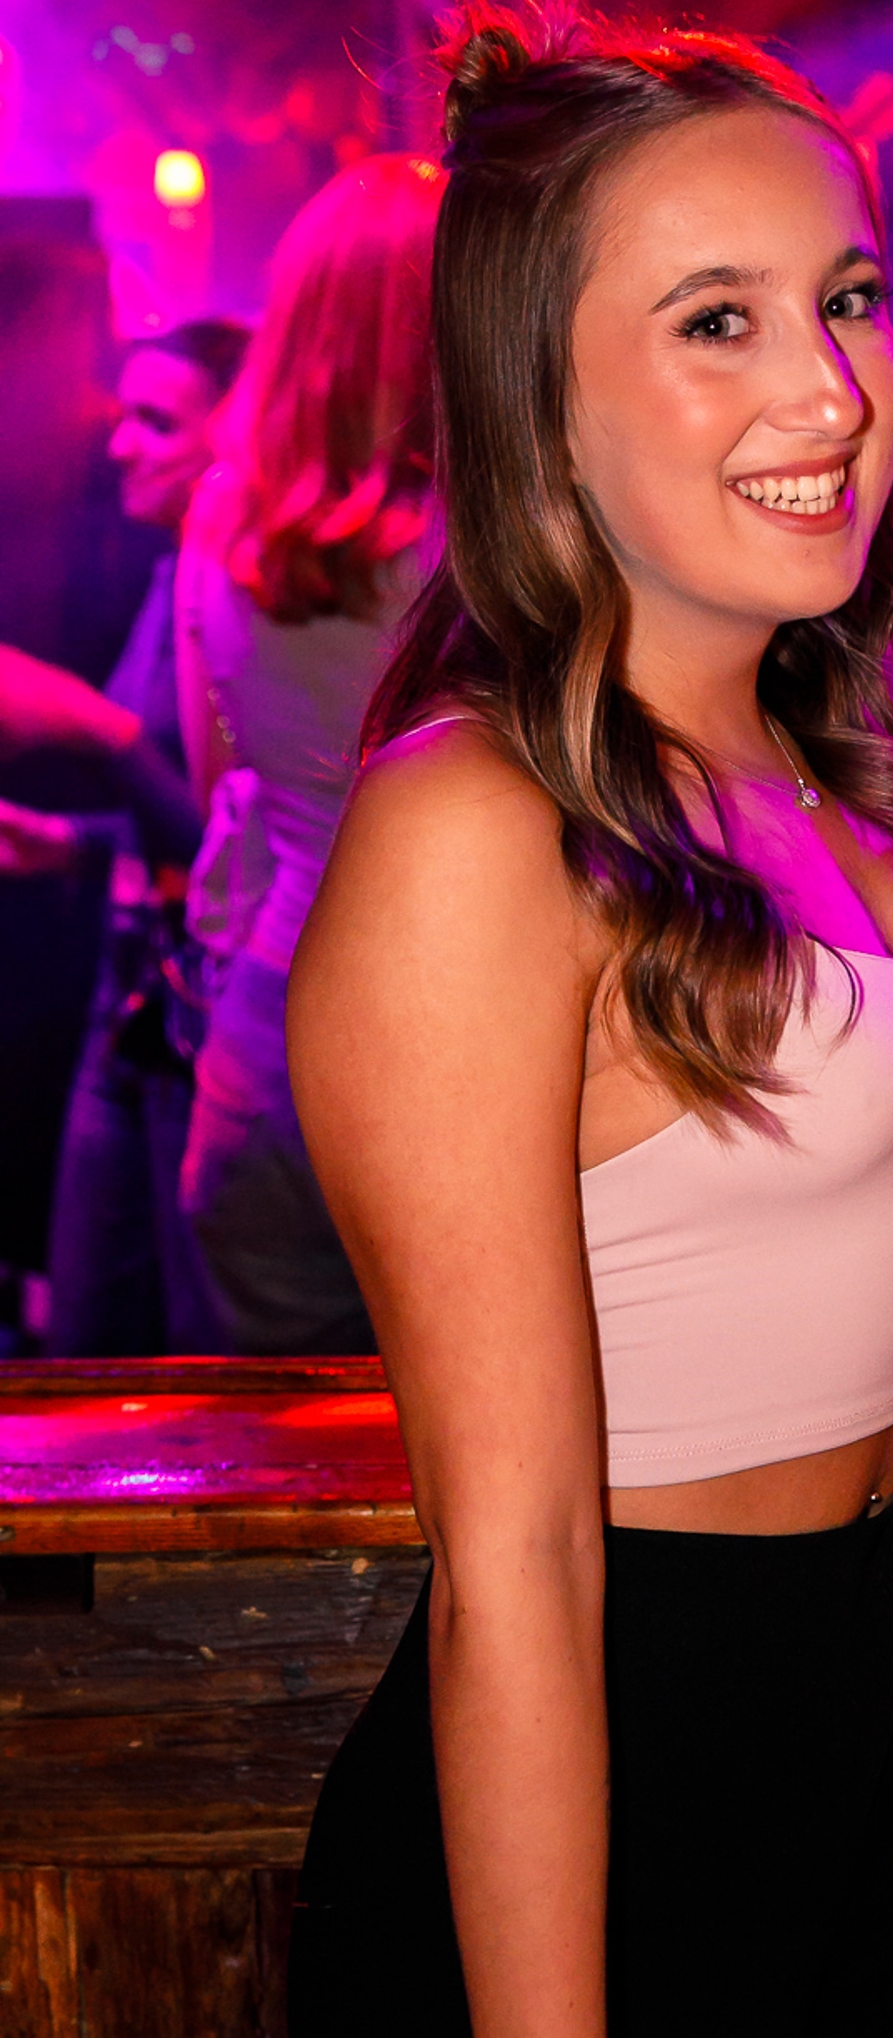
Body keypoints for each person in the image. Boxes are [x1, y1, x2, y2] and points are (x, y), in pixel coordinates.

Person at [283, 0, 893, 2038]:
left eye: (849, 299)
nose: (834, 390)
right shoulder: (476, 826)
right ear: (536, 396)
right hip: (607, 1777)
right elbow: (518, 1565)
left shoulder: (866, 768)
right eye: (719, 321)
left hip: (865, 1715)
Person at [175, 157, 440, 1353]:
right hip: (454, 1042)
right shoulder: (499, 538)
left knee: (286, 1432)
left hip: (270, 1039)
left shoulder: (221, 516)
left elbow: (215, 785)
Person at [0, 321, 250, 1352]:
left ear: (238, 433)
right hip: (133, 982)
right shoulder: (169, 576)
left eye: (157, 422)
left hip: (206, 1011)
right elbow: (173, 815)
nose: (120, 446)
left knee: (197, 1343)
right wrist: (67, 841)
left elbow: (252, 847)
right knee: (89, 1337)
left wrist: (90, 727)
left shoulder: (254, 600)